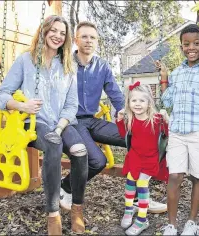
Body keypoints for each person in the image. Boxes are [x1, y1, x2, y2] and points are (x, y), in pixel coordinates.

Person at [58, 21, 168, 214]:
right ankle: (65, 187)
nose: (88, 41)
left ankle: (137, 197)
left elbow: (116, 95)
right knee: (97, 161)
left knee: (138, 139)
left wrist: (130, 115)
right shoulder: (64, 62)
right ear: (75, 40)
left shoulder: (102, 66)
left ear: (97, 41)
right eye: (84, 36)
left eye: (92, 37)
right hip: (71, 122)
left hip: (91, 120)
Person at [0, 15, 88, 235]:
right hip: (34, 123)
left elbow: (72, 104)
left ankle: (77, 209)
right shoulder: (26, 61)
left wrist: (60, 126)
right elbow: (1, 96)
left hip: (61, 123)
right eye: (53, 30)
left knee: (80, 151)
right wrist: (21, 105)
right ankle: (53, 213)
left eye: (62, 33)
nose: (57, 36)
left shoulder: (68, 64)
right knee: (54, 145)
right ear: (44, 31)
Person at [158, 23, 199, 236]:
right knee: (174, 176)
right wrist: (165, 77)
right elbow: (167, 101)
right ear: (181, 47)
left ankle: (191, 223)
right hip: (177, 131)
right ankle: (172, 225)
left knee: (198, 177)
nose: (191, 47)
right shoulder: (177, 73)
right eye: (186, 44)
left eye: (196, 43)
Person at [116, 81, 169, 235]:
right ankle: (129, 209)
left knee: (141, 184)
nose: (137, 104)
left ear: (149, 103)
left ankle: (142, 220)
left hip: (150, 159)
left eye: (142, 100)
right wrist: (120, 118)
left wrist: (167, 119)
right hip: (134, 157)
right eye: (134, 101)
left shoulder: (156, 119)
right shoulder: (130, 119)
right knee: (130, 182)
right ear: (128, 103)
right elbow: (122, 134)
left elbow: (167, 134)